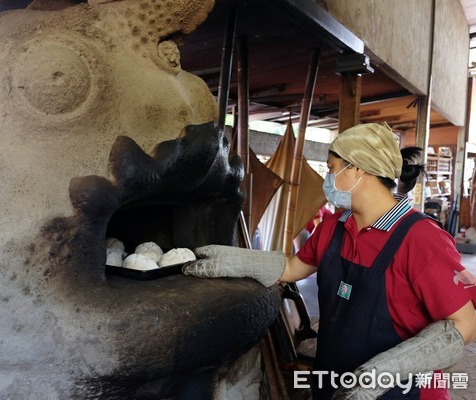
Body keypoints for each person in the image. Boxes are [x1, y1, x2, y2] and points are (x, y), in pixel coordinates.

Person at [184, 123, 476, 399]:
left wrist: (379, 375)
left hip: (400, 392)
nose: (328, 177)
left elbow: (465, 324)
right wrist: (227, 260)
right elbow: (291, 268)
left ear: (359, 169)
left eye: (332, 168)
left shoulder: (421, 237)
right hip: (334, 378)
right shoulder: (334, 226)